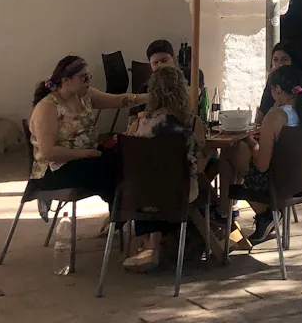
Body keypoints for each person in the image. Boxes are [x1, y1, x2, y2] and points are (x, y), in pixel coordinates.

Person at [219, 62, 302, 244]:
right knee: (236, 152)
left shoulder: (276, 116)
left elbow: (262, 165)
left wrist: (251, 142)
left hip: (278, 184)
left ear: (277, 89)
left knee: (231, 150)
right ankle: (227, 211)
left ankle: (229, 211)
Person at [29, 56, 146, 209]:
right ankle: (121, 214)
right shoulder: (48, 107)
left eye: (88, 76)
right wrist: (85, 154)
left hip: (84, 158)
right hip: (56, 171)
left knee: (126, 155)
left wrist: (149, 98)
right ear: (66, 81)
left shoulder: (84, 95)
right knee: (111, 168)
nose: (88, 81)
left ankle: (126, 213)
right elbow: (48, 153)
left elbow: (117, 100)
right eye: (83, 77)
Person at [122, 65, 198, 273]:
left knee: (156, 182)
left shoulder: (140, 125)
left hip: (139, 195)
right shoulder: (183, 129)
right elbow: (193, 166)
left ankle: (151, 246)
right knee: (198, 185)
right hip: (176, 196)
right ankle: (210, 234)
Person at [256, 42, 302, 120]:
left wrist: (283, 102)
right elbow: (263, 109)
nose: (279, 64)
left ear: (294, 61)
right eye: (275, 60)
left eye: (284, 60)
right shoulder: (272, 82)